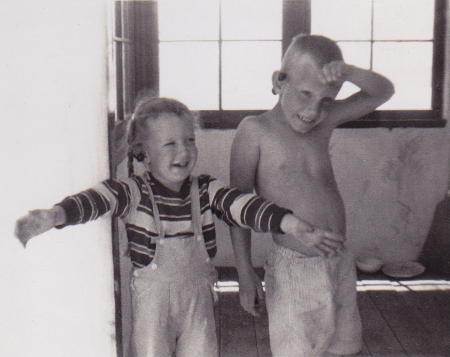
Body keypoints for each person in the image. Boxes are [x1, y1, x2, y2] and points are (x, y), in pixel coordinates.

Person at [14, 95, 345, 357]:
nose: (183, 151)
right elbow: (96, 199)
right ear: (141, 151)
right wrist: (57, 215)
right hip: (151, 306)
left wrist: (291, 224)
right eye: (170, 144)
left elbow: (242, 205)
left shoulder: (204, 189)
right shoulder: (132, 191)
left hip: (198, 301)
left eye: (189, 140)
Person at [229, 34, 395, 356]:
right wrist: (244, 273)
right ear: (279, 82)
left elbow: (383, 91)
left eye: (326, 100)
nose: (313, 110)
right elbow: (236, 208)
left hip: (338, 259)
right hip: (295, 268)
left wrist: (348, 73)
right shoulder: (255, 130)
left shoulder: (325, 121)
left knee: (344, 347)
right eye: (305, 93)